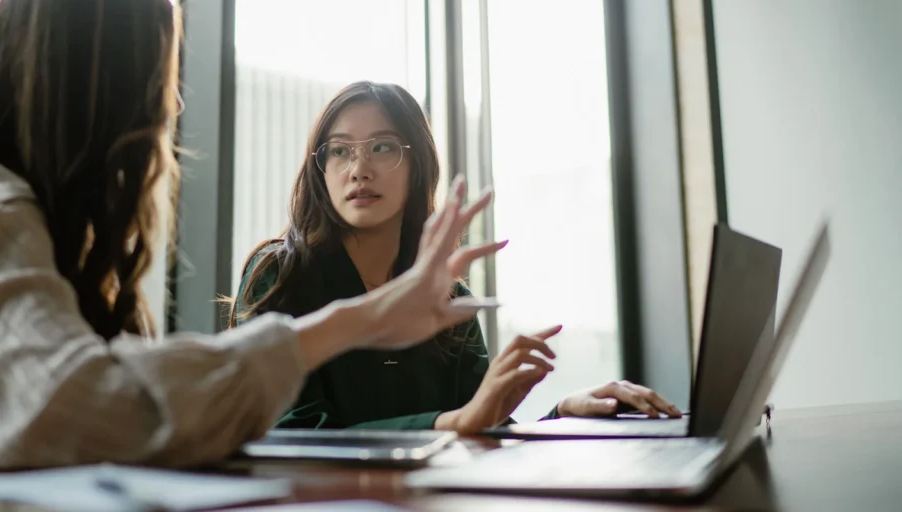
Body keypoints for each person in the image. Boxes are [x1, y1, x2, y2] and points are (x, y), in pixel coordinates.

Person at [0, 0, 501, 476]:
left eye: (383, 148)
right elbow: (94, 409)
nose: (172, 102)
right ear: (97, 84)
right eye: (159, 73)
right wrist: (357, 321)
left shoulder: (30, 231)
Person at [228, 81, 681, 434]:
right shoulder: (281, 274)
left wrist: (566, 414)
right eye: (340, 151)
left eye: (382, 147)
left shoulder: (450, 297)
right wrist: (454, 424)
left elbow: (482, 430)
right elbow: (294, 437)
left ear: (418, 164)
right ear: (320, 169)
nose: (358, 168)